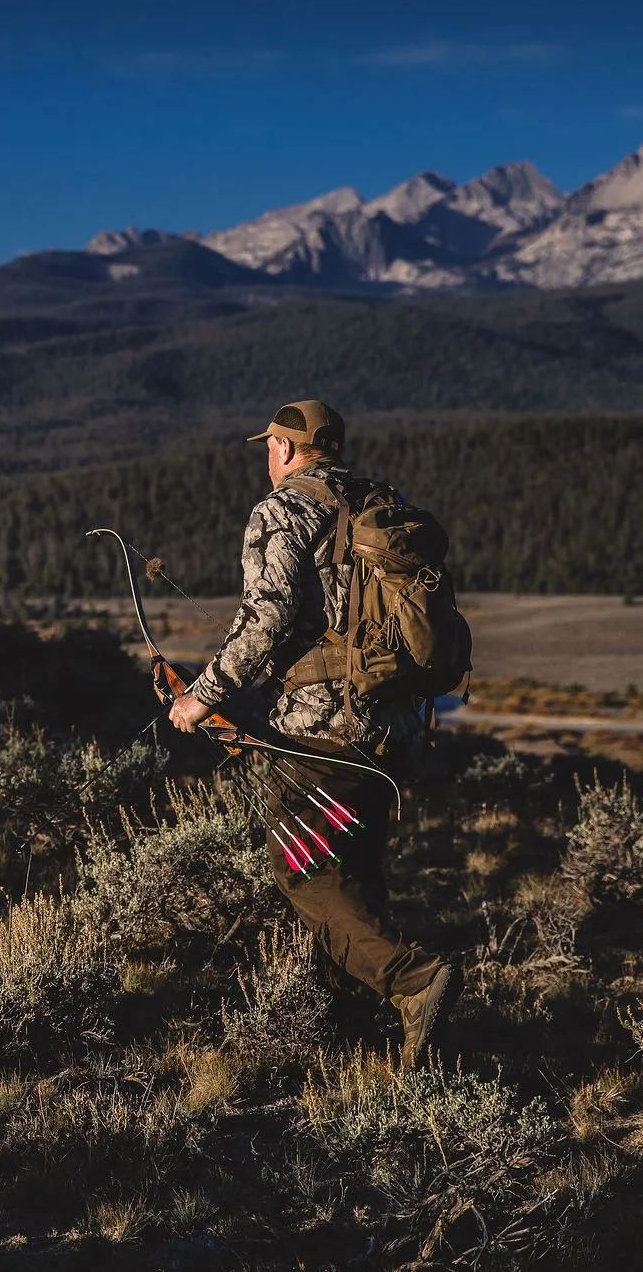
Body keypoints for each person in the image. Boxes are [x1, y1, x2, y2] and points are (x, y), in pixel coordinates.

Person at [165, 399, 456, 1067]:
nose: (268, 458)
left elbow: (265, 620)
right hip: (394, 726)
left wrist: (200, 699)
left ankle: (416, 981)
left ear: (289, 450)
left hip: (321, 733)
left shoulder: (282, 512)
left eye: (270, 446)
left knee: (305, 874)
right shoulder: (382, 502)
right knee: (354, 877)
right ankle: (355, 1035)